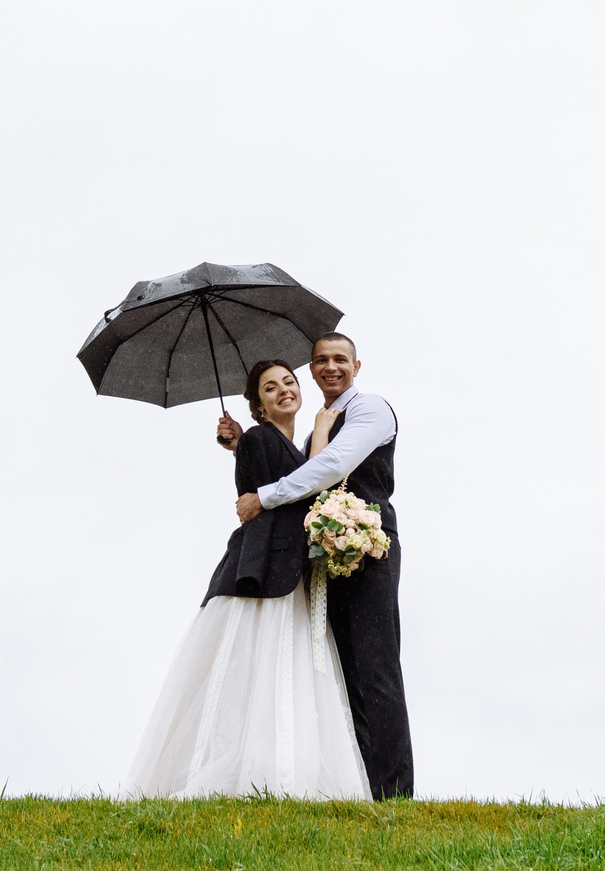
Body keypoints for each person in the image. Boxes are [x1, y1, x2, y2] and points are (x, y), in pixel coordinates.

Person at [117, 358, 371, 799]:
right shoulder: (260, 437)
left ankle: (277, 770)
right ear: (258, 406)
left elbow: (288, 475)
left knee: (284, 667)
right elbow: (307, 486)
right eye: (270, 388)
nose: (284, 390)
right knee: (251, 662)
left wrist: (242, 446)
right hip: (262, 570)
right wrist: (313, 433)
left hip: (289, 572)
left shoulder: (275, 442)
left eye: (289, 382)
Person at [215, 332, 412, 801]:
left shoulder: (370, 410)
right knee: (344, 672)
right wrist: (245, 444)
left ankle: (396, 793)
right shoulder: (312, 433)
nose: (330, 367)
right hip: (324, 558)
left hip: (370, 550)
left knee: (377, 669)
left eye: (340, 359)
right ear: (312, 369)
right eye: (321, 360)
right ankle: (365, 788)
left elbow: (331, 467)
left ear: (356, 367)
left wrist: (263, 496)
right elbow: (297, 470)